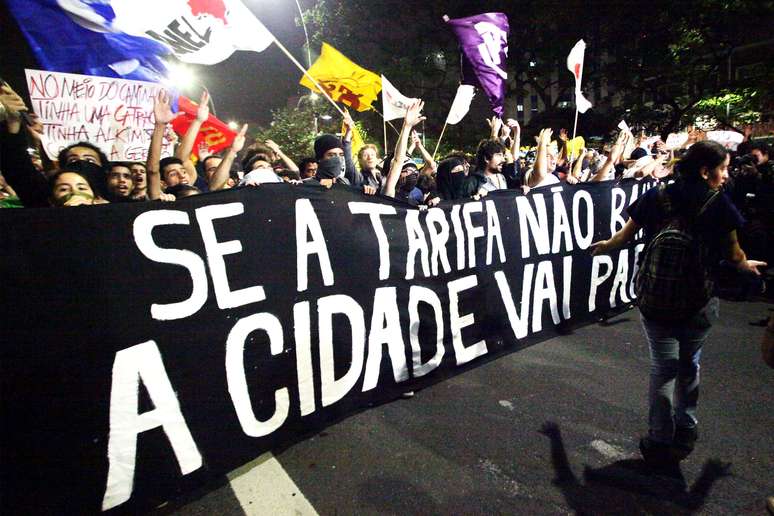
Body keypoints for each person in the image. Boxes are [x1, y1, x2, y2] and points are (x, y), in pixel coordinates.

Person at [590, 141, 766, 463]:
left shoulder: (658, 196)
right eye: (723, 169)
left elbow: (624, 236)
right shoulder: (718, 203)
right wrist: (744, 264)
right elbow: (734, 252)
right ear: (705, 171)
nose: (726, 176)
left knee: (662, 368)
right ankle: (686, 427)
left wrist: (607, 245)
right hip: (698, 301)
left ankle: (658, 438)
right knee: (690, 363)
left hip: (655, 299)